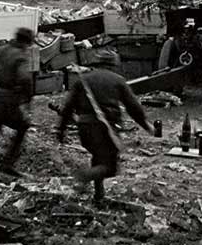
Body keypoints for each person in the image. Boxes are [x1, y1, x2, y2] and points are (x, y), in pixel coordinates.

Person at [56, 50, 153, 203]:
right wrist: (146, 125)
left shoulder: (83, 80)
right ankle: (83, 176)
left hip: (84, 128)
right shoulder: (117, 80)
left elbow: (68, 107)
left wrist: (61, 131)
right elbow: (133, 106)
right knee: (110, 167)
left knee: (98, 157)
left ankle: (98, 195)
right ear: (114, 65)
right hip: (104, 129)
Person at [0, 27, 34, 177]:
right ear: (26, 43)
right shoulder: (20, 56)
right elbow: (24, 79)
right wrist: (28, 98)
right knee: (23, 126)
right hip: (6, 98)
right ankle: (7, 163)